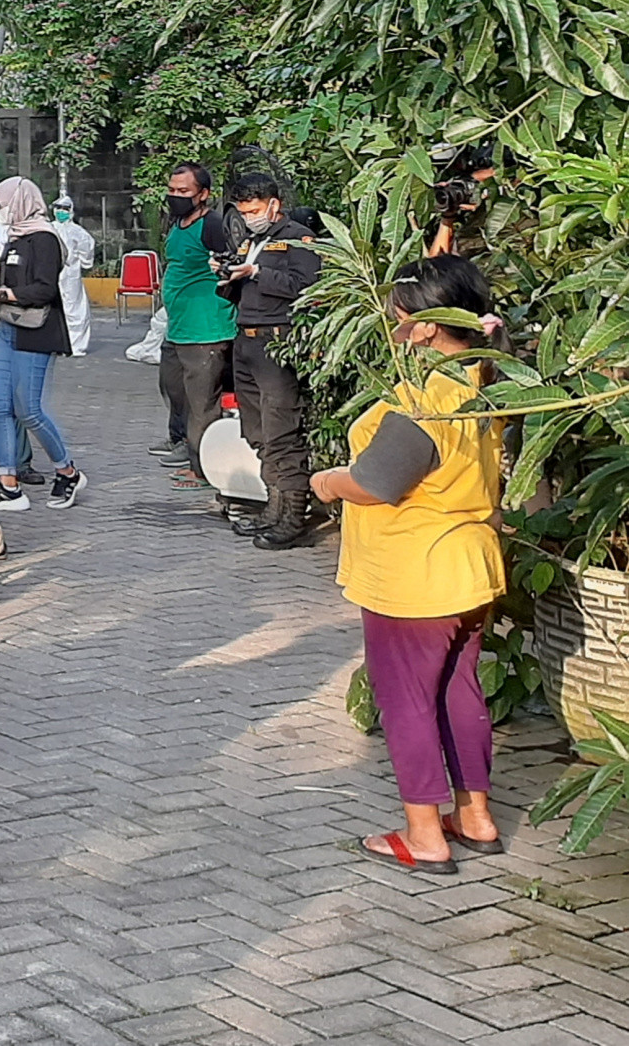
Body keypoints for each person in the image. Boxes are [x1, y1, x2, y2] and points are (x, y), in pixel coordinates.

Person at [309, 256, 506, 875]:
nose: (392, 328)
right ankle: (475, 817)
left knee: (407, 702)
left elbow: (379, 481)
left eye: (399, 317)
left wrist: (329, 481)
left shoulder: (424, 400)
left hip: (415, 576)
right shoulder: (485, 377)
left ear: (424, 329)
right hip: (471, 568)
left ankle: (425, 833)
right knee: (458, 692)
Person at [0, 178, 86, 512]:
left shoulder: (44, 238)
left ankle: (68, 471)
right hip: (7, 326)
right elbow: (11, 281)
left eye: (2, 202)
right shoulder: (17, 237)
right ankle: (8, 486)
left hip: (36, 330)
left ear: (20, 202)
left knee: (29, 409)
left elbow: (43, 290)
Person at [217, 174, 323, 548]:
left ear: (274, 204)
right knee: (259, 432)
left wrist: (258, 271)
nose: (250, 217)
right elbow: (246, 291)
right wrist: (230, 276)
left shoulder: (297, 238)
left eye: (256, 210)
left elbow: (307, 287)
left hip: (277, 342)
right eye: (244, 212)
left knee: (282, 433)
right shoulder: (253, 241)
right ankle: (273, 508)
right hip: (246, 341)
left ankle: (292, 516)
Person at [159, 161, 237, 492]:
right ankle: (185, 446)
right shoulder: (179, 222)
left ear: (203, 194)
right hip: (179, 327)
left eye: (184, 192)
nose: (175, 196)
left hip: (206, 328)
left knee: (202, 403)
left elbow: (233, 261)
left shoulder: (213, 225)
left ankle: (203, 467)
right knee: (175, 389)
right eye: (172, 190)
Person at [53, 195, 97, 356]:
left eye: (65, 209)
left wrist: (83, 261)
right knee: (55, 307)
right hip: (52, 272)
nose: (61, 212)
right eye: (58, 208)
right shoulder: (49, 228)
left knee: (74, 308)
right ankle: (57, 343)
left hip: (70, 273)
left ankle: (76, 345)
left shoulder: (77, 231)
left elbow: (87, 247)